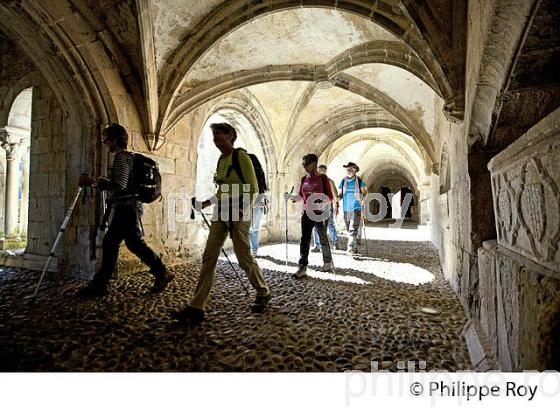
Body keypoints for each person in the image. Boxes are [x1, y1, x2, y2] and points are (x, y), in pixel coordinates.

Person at [171, 122, 271, 324]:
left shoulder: (240, 156)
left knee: (243, 257)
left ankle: (262, 291)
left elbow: (252, 186)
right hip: (221, 212)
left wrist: (244, 208)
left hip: (238, 212)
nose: (215, 137)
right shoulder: (220, 160)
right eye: (214, 134)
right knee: (209, 256)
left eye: (219, 134)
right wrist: (204, 204)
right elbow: (221, 192)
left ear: (231, 136)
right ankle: (196, 306)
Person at [77, 123, 172, 298]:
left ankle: (100, 284)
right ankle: (160, 272)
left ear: (114, 140)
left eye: (106, 139)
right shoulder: (127, 158)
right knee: (128, 243)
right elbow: (122, 183)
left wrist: (93, 182)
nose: (105, 143)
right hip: (128, 207)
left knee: (113, 243)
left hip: (126, 208)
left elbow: (119, 184)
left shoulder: (122, 158)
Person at [291, 154, 334, 279]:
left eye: (306, 164)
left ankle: (327, 262)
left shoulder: (323, 178)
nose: (304, 166)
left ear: (314, 164)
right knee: (305, 239)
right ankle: (302, 266)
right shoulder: (304, 178)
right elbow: (301, 195)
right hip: (307, 212)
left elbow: (330, 196)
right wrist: (294, 198)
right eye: (303, 164)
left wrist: (322, 202)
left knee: (322, 237)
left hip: (320, 212)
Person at [339, 162, 368, 254]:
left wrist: (363, 198)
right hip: (346, 209)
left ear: (355, 170)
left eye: (351, 169)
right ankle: (354, 248)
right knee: (349, 230)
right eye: (347, 169)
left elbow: (365, 192)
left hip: (356, 209)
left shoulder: (359, 182)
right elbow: (340, 194)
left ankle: (350, 248)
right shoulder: (343, 181)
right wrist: (336, 198)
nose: (348, 170)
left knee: (353, 229)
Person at [311, 164, 339, 252]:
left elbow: (335, 196)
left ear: (325, 171)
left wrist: (336, 205)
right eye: (319, 171)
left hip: (327, 206)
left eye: (322, 171)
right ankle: (317, 245)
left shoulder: (330, 182)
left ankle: (334, 242)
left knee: (330, 224)